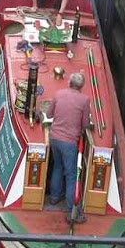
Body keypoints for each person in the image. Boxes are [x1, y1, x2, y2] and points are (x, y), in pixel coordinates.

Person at [44, 72, 91, 224]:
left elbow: (50, 114)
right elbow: (84, 124)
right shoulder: (84, 100)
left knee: (57, 166)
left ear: (69, 82)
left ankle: (54, 197)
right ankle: (71, 210)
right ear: (81, 86)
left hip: (54, 138)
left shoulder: (58, 94)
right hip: (70, 142)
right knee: (71, 175)